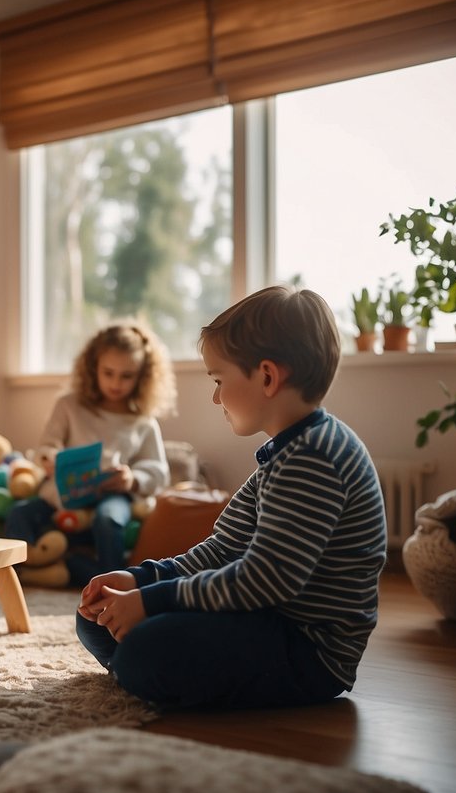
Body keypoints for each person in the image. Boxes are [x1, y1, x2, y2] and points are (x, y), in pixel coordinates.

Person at [76, 286, 387, 710]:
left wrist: (152, 602)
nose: (216, 396)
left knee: (143, 647)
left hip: (307, 651)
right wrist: (141, 580)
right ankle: (150, 669)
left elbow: (264, 579)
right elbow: (223, 549)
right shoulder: (285, 453)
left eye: (219, 380)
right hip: (264, 618)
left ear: (267, 377)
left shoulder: (315, 458)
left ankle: (146, 669)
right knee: (95, 614)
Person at [6, 321, 175, 588]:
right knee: (19, 513)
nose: (116, 383)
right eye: (108, 373)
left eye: (126, 376)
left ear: (142, 376)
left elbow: (158, 472)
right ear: (93, 367)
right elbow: (46, 447)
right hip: (63, 496)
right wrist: (49, 459)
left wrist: (132, 479)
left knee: (109, 520)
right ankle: (25, 571)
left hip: (110, 496)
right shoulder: (69, 405)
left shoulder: (142, 421)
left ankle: (108, 580)